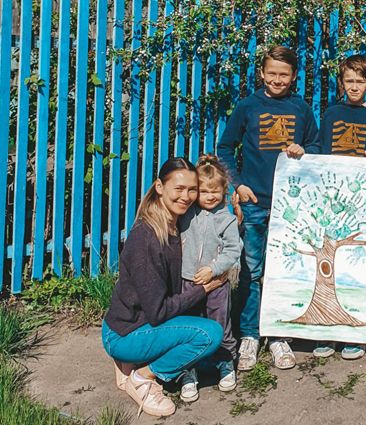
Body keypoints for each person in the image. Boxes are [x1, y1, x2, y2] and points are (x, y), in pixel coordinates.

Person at [217, 45, 321, 371]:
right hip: (254, 204)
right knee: (251, 271)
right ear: (262, 73)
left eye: (284, 74)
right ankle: (249, 335)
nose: (277, 79)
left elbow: (316, 145)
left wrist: (303, 149)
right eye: (271, 73)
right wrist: (237, 184)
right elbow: (224, 147)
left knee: (284, 271)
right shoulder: (248, 106)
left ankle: (278, 335)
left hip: (289, 207)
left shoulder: (301, 109)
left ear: (293, 77)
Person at [102, 157, 224, 417]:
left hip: (139, 323)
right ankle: (143, 377)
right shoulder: (146, 239)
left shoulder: (176, 222)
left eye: (192, 189)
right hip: (127, 332)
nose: (187, 196)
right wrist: (203, 290)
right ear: (159, 187)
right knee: (210, 335)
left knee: (199, 327)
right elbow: (158, 312)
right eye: (178, 189)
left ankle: (132, 363)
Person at [314, 54, 366, 361]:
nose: (355, 86)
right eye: (349, 80)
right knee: (328, 263)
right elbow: (320, 151)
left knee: (354, 265)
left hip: (361, 204)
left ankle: (353, 334)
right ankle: (328, 330)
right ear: (341, 82)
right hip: (331, 201)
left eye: (360, 81)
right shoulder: (331, 113)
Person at [178, 154, 243, 401]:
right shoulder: (187, 214)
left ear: (224, 191)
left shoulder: (225, 219)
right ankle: (189, 370)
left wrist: (214, 269)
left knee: (220, 323)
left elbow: (232, 250)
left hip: (217, 284)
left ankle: (225, 362)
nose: (210, 196)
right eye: (204, 191)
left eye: (215, 191)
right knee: (190, 323)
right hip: (188, 280)